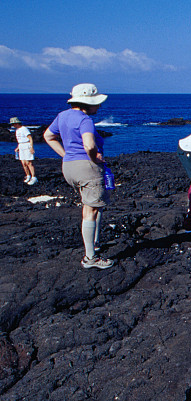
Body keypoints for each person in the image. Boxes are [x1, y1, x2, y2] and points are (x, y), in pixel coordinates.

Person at [43, 83, 114, 269]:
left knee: (91, 206)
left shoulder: (62, 116)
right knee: (91, 211)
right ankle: (90, 258)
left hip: (69, 167)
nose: (99, 106)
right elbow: (89, 145)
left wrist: (65, 155)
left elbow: (48, 136)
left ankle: (94, 243)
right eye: (96, 103)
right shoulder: (85, 120)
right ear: (86, 103)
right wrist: (95, 158)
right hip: (87, 168)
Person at [10, 117, 36, 185]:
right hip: (21, 146)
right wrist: (18, 147)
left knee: (29, 163)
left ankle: (33, 177)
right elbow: (20, 140)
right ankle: (28, 176)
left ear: (16, 123)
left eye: (13, 124)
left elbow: (30, 138)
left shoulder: (24, 129)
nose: (13, 125)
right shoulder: (17, 130)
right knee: (23, 163)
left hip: (27, 146)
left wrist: (31, 147)